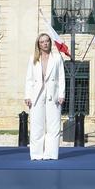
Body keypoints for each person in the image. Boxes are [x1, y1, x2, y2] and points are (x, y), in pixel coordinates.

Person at [24, 33, 66, 161]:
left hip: (53, 94)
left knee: (54, 125)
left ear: (50, 42)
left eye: (47, 41)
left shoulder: (57, 58)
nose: (45, 44)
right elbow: (29, 79)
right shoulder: (33, 58)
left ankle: (51, 154)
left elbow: (61, 77)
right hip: (36, 95)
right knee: (36, 125)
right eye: (42, 42)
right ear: (38, 44)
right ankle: (36, 154)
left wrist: (62, 94)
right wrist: (27, 96)